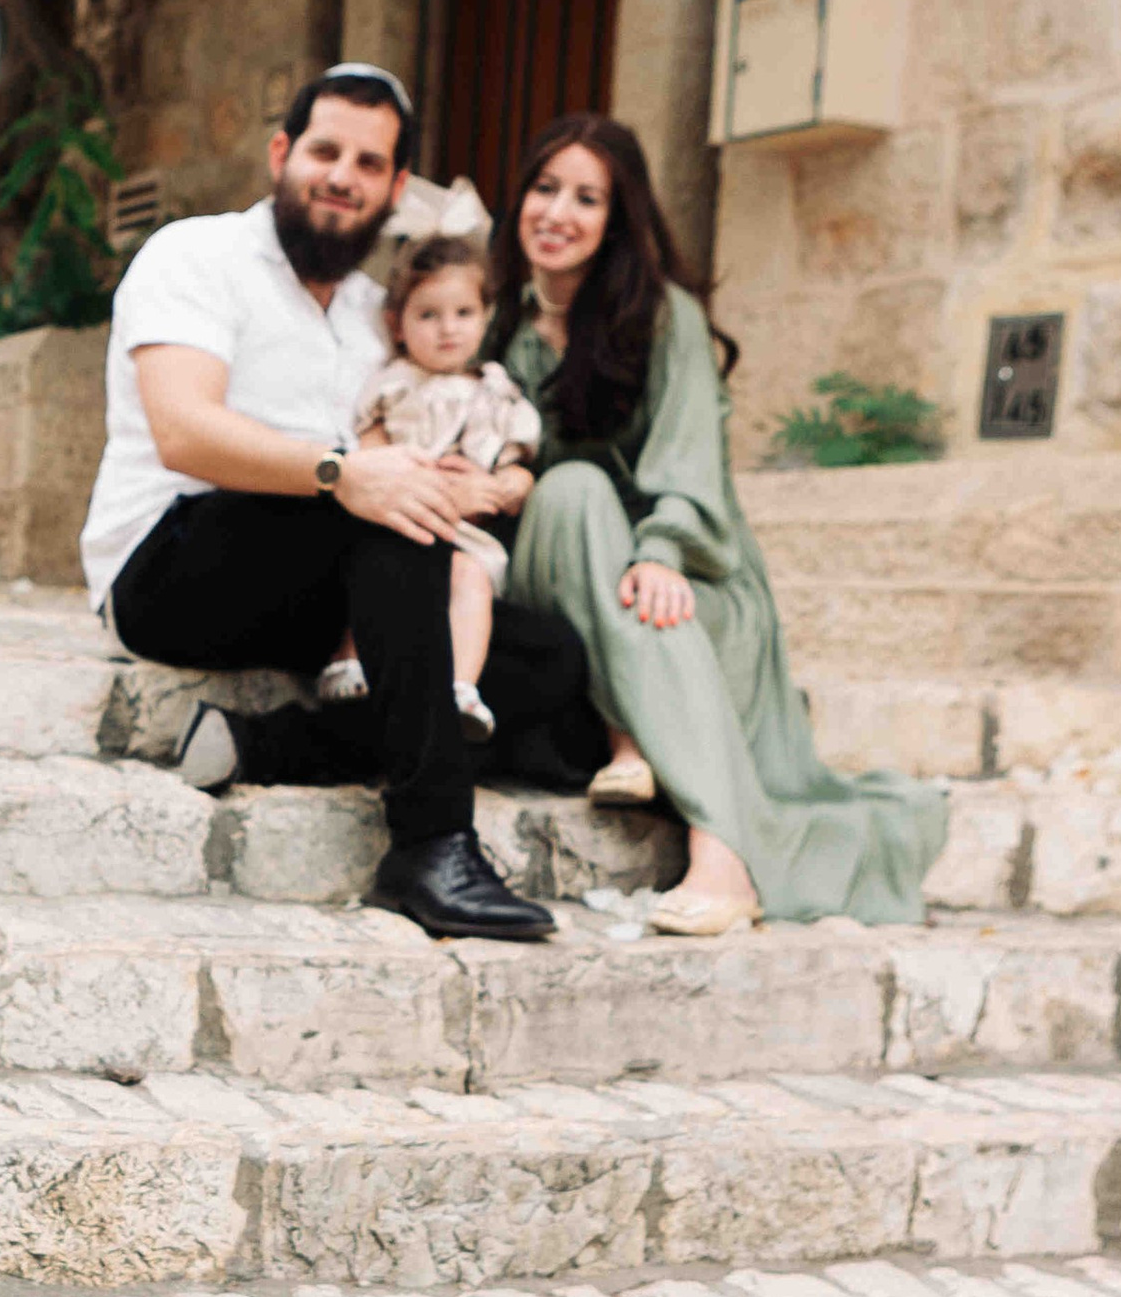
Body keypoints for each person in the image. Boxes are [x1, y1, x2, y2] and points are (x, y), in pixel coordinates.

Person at [81, 62, 596, 943]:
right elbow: (184, 432)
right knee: (387, 510)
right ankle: (431, 845)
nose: (342, 177)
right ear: (282, 154)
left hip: (325, 587)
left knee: (547, 663)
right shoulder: (195, 255)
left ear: (395, 187)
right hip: (173, 565)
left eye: (369, 163)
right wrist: (347, 474)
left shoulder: (377, 310)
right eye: (325, 152)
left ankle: (266, 745)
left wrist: (471, 479)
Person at [493, 110, 950, 936]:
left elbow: (690, 461)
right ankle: (634, 745)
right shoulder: (493, 325)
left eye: (586, 198)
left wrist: (662, 550)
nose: (557, 213)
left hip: (685, 573)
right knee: (572, 491)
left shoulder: (663, 317)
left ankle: (720, 855)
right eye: (545, 188)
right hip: (560, 578)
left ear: (617, 219)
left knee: (636, 577)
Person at [354, 230, 542, 745]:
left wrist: (509, 483)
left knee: (471, 579)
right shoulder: (394, 383)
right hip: (400, 520)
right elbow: (368, 450)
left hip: (464, 533)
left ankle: (460, 688)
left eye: (463, 313)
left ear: (485, 316)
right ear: (397, 324)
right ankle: (348, 660)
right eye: (428, 315)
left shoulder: (496, 390)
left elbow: (517, 464)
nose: (448, 329)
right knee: (365, 565)